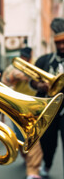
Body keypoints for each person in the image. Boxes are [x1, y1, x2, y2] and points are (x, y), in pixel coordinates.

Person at [1, 47, 42, 179]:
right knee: (20, 138)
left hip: (34, 104)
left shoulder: (36, 63)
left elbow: (42, 80)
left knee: (34, 138)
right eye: (22, 56)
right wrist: (13, 76)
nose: (24, 58)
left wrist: (28, 76)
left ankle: (33, 171)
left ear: (31, 56)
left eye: (26, 56)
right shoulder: (14, 65)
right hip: (18, 106)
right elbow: (4, 82)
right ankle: (27, 158)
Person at [31, 18, 64, 178]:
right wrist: (40, 86)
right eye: (59, 43)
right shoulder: (44, 60)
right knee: (48, 144)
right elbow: (32, 80)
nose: (62, 46)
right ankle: (48, 163)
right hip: (47, 110)